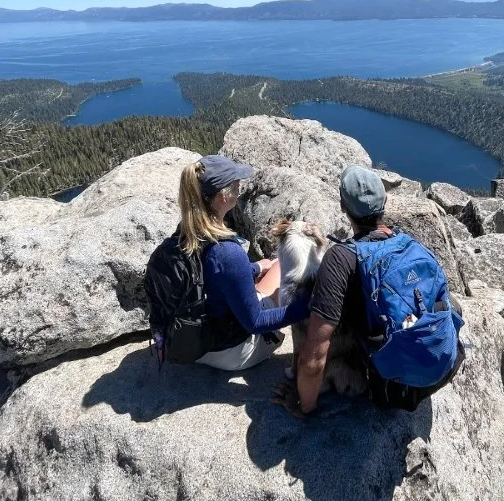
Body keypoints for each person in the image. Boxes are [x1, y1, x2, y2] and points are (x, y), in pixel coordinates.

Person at [273, 164, 463, 415]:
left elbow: (315, 354)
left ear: (343, 207)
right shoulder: (409, 244)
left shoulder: (340, 259)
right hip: (444, 363)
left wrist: (303, 404)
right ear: (384, 202)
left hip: (387, 382)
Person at [177, 154, 310, 371]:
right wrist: (308, 306)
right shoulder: (228, 252)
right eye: (235, 181)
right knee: (280, 267)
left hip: (193, 342)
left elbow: (212, 273)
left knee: (268, 267)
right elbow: (255, 323)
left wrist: (256, 267)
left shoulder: (185, 231)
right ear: (222, 196)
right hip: (231, 352)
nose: (240, 185)